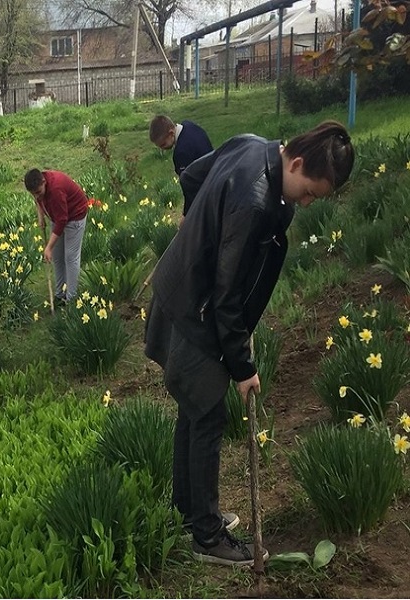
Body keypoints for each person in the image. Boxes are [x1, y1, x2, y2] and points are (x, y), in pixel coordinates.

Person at [144, 121, 354, 567]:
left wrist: (199, 228)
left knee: (194, 409)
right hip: (196, 309)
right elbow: (226, 295)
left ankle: (190, 512)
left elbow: (194, 177)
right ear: (296, 162)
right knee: (207, 416)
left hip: (179, 289)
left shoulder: (252, 144)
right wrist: (242, 367)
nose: (307, 201)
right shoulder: (256, 202)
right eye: (310, 192)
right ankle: (206, 536)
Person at [24, 168, 88, 304]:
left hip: (75, 216)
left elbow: (62, 221)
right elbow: (38, 201)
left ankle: (72, 299)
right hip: (58, 216)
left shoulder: (56, 190)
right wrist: (41, 216)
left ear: (44, 182)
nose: (36, 196)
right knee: (58, 258)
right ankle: (60, 294)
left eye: (38, 193)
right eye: (33, 194)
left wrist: (48, 247)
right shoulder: (38, 187)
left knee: (71, 257)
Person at [149, 115, 213, 222]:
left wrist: (186, 216)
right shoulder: (189, 126)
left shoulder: (181, 153)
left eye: (163, 144)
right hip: (216, 174)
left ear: (171, 133)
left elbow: (190, 188)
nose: (162, 149)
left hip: (207, 195)